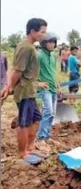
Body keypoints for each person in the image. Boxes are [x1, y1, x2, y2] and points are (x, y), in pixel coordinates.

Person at [1, 18, 47, 164]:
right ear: (32, 31)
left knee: (36, 119)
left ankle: (29, 148)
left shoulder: (28, 46)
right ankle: (22, 154)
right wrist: (9, 87)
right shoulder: (26, 47)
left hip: (30, 90)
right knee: (24, 122)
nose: (43, 35)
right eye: (42, 32)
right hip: (25, 91)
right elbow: (17, 71)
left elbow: (14, 68)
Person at [35, 32, 59, 153]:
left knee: (53, 114)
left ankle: (47, 136)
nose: (52, 44)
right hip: (44, 88)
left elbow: (53, 71)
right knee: (48, 111)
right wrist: (37, 83)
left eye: (54, 42)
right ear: (43, 43)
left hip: (53, 87)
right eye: (50, 42)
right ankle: (40, 139)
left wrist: (57, 82)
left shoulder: (52, 56)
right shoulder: (39, 55)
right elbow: (30, 70)